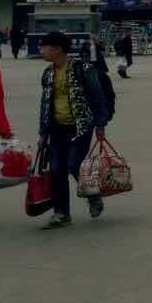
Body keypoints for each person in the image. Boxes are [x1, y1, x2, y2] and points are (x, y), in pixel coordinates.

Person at [37, 31, 112, 227]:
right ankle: (61, 213)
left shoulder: (83, 69)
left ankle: (93, 195)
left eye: (44, 47)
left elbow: (98, 97)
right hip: (56, 129)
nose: (41, 50)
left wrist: (100, 124)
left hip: (80, 127)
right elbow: (45, 104)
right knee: (56, 170)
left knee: (74, 165)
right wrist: (43, 133)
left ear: (57, 49)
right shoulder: (48, 73)